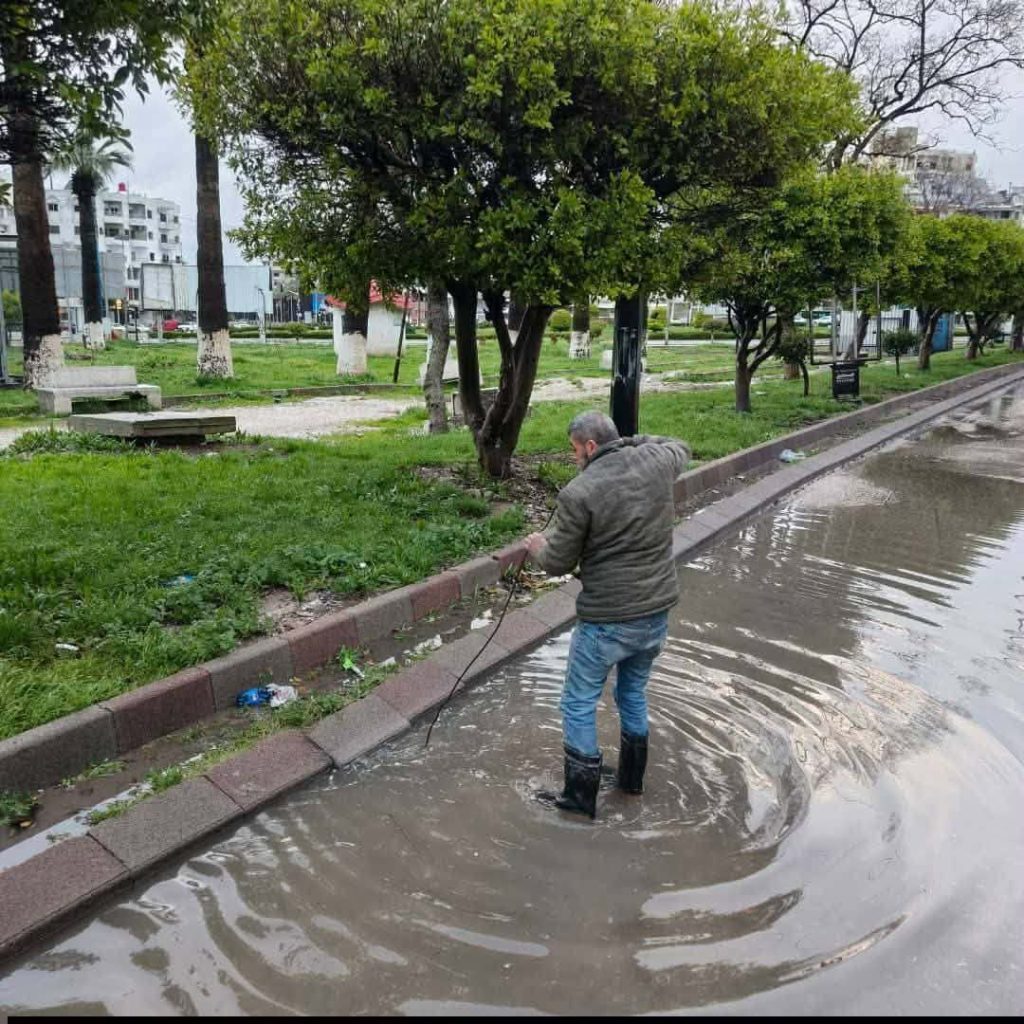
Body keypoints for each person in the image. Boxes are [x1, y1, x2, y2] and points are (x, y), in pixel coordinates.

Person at [525, 411, 690, 819]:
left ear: (590, 446)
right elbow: (680, 445)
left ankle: (580, 799)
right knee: (631, 693)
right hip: (656, 613)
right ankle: (631, 782)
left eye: (575, 450)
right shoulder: (658, 460)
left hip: (607, 621)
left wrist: (537, 548)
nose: (574, 458)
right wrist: (631, 442)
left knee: (578, 702)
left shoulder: (579, 493)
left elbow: (558, 562)